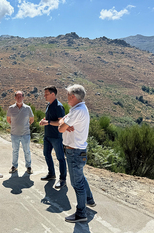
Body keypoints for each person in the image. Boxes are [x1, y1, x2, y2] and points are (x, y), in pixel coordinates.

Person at [58, 84, 96, 223]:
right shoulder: (78, 109)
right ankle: (89, 200)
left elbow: (61, 129)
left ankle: (81, 213)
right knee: (80, 177)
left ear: (73, 96)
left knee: (77, 183)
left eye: (68, 96)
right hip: (78, 151)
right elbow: (62, 120)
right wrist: (64, 122)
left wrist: (63, 123)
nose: (67, 99)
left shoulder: (77, 111)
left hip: (74, 151)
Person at [39, 85, 67, 189]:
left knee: (60, 158)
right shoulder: (48, 105)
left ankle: (63, 179)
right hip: (47, 136)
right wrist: (44, 121)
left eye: (46, 94)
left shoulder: (58, 106)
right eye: (44, 94)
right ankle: (51, 174)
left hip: (56, 136)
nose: (44, 96)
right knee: (46, 154)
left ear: (53, 94)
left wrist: (48, 122)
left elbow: (60, 122)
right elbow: (48, 119)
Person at [6, 91, 34, 174]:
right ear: (15, 98)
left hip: (25, 134)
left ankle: (28, 167)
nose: (19, 98)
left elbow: (31, 119)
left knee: (27, 151)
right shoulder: (11, 108)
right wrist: (15, 125)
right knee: (15, 151)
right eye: (17, 96)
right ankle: (14, 166)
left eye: (21, 96)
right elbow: (8, 119)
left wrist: (25, 125)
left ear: (23, 97)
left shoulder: (28, 108)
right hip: (14, 134)